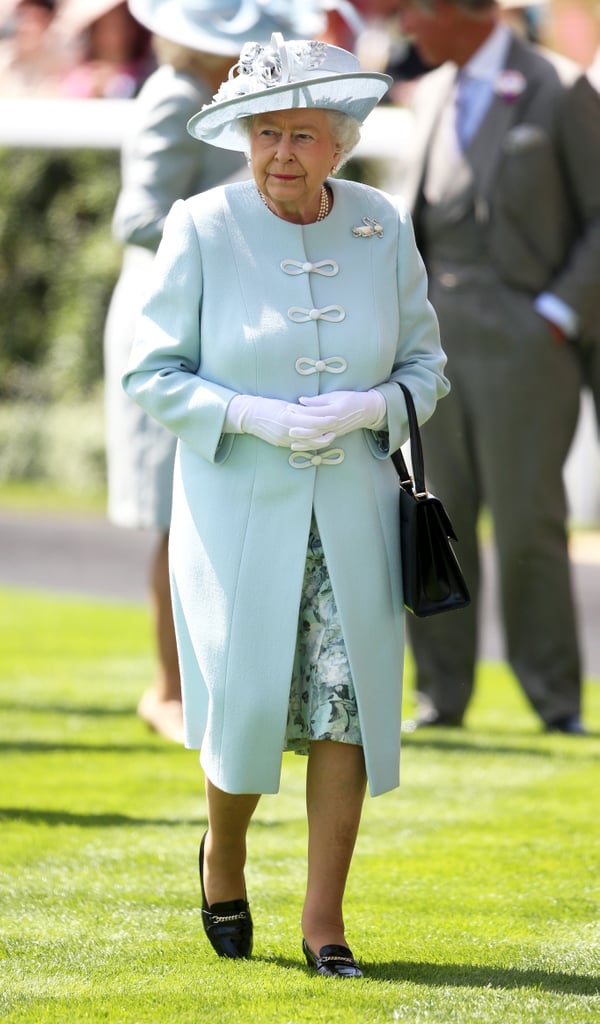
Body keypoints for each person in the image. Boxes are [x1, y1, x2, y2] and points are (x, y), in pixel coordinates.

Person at [122, 32, 448, 973]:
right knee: (250, 706)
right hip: (239, 513)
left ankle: (324, 923)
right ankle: (223, 853)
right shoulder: (200, 225)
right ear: (242, 138)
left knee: (343, 709)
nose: (281, 156)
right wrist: (246, 413)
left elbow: (426, 365)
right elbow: (153, 372)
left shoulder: (381, 224)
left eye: (303, 136)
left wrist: (376, 404)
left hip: (352, 517)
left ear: (340, 143)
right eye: (265, 133)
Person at [103, 1, 325, 744]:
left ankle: (208, 682)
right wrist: (233, 222)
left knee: (214, 503)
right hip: (174, 316)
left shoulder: (215, 95)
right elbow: (136, 216)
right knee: (179, 510)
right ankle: (168, 688)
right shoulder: (171, 93)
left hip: (222, 314)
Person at [394, 0, 600, 734]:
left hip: (526, 344)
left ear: (456, 10)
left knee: (526, 528)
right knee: (431, 518)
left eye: (415, 12)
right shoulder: (430, 91)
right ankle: (439, 696)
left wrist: (559, 312)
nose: (405, 28)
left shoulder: (558, 86)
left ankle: (555, 701)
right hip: (432, 348)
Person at [57, 0, 154, 99]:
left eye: (122, 24)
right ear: (93, 30)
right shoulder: (77, 79)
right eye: (106, 26)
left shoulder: (148, 72)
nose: (114, 34)